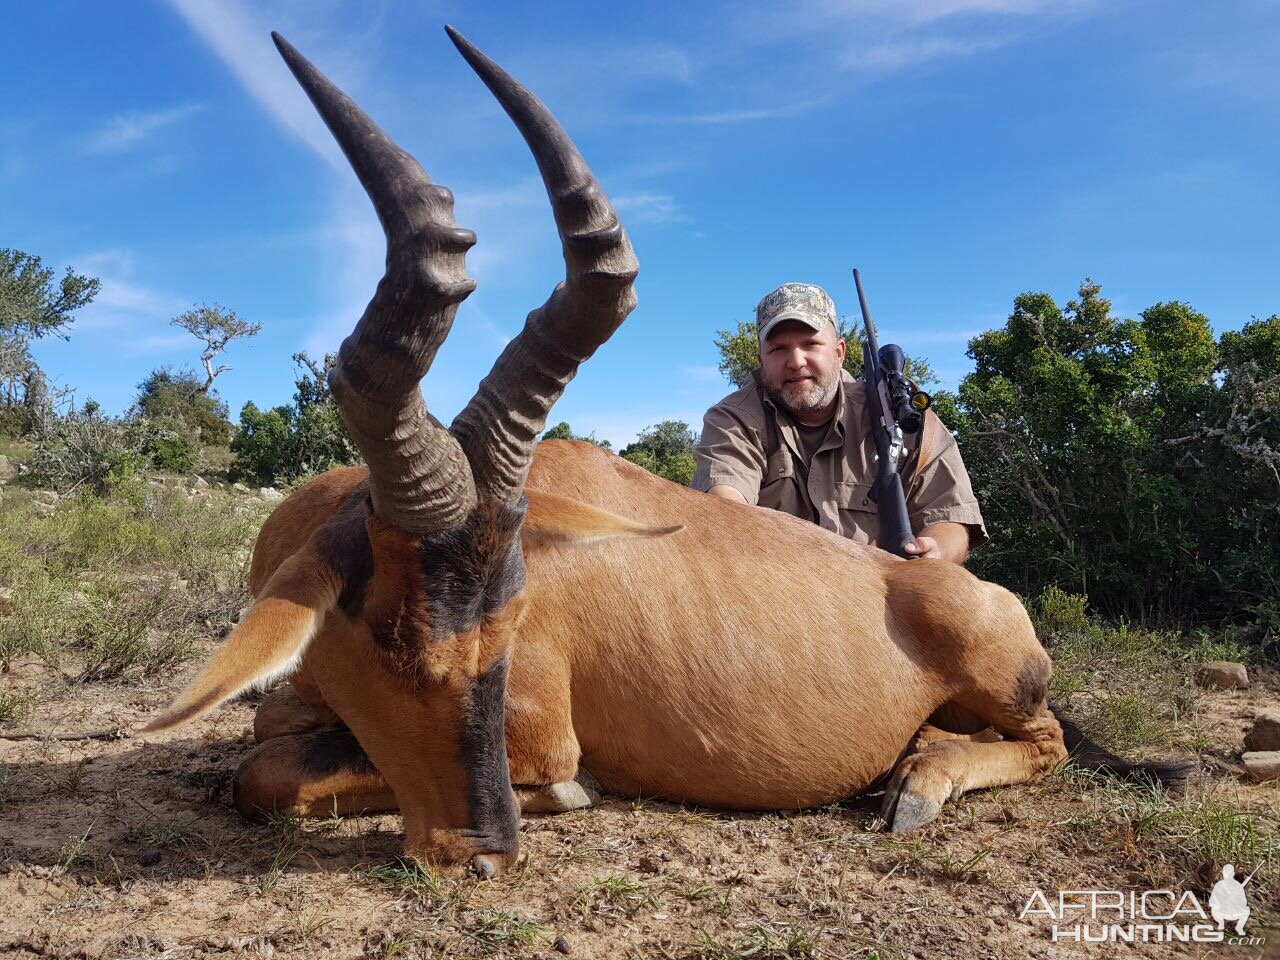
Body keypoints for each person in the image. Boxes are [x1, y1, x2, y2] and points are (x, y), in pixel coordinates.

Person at [692, 282, 987, 564]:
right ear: (761, 359)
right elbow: (726, 512)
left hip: (880, 596)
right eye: (778, 349)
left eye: (811, 344)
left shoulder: (900, 416)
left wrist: (934, 552)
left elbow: (950, 519)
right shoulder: (732, 418)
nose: (796, 361)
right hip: (776, 596)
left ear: (839, 353)